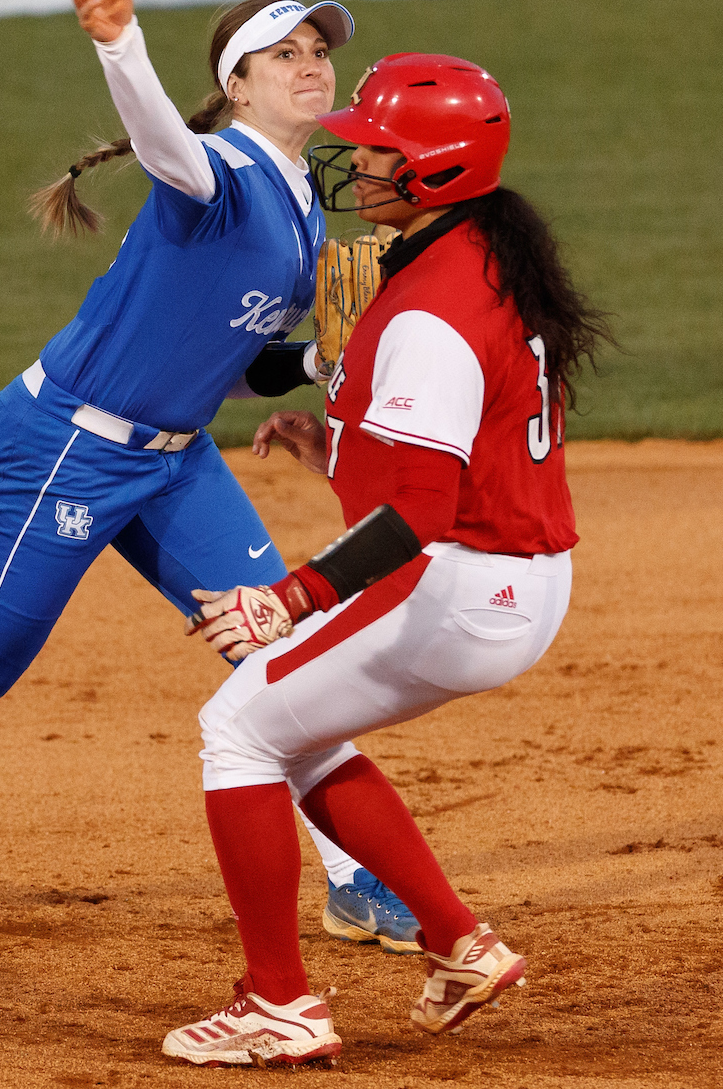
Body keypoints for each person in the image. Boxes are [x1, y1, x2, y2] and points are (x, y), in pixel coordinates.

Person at [0, 0, 412, 942]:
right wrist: (118, 40)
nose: (312, 66)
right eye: (286, 54)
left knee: (284, 641)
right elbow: (163, 144)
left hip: (176, 461)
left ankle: (354, 873)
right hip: (64, 448)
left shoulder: (303, 209)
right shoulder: (218, 174)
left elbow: (226, 365)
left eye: (320, 52)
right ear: (239, 86)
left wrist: (317, 359)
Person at [164, 52, 613, 1066]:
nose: (357, 164)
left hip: (461, 588)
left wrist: (292, 595)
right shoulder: (484, 260)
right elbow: (464, 448)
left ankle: (278, 1003)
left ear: (436, 174)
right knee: (295, 729)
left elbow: (421, 506)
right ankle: (458, 945)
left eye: (380, 154)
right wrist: (339, 444)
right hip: (512, 576)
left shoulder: (426, 314)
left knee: (234, 729)